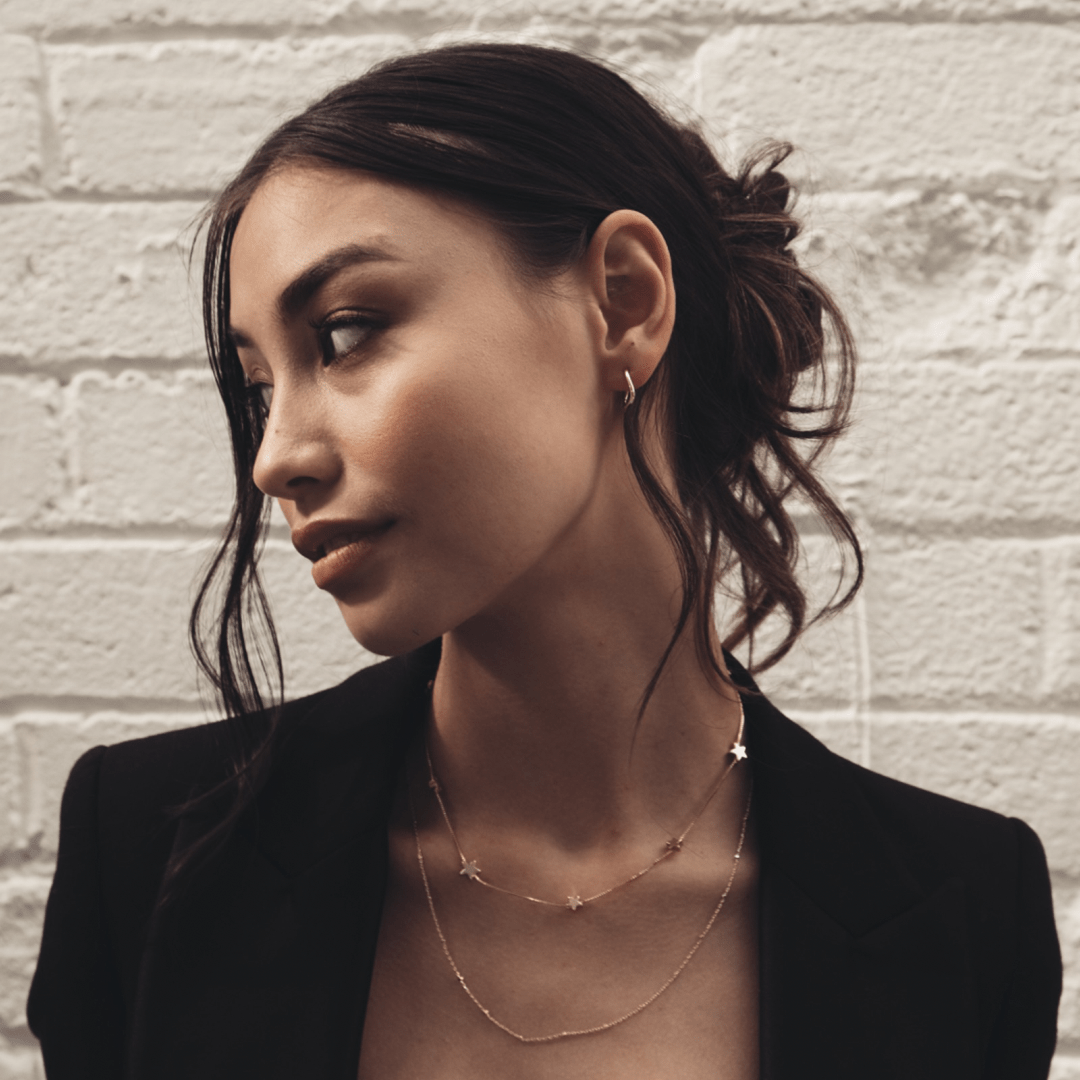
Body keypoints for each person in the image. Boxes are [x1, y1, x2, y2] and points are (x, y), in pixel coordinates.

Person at [27, 43, 1061, 1080]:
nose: (275, 459)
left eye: (345, 334)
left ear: (623, 298)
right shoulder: (150, 853)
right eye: (261, 388)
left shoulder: (963, 914)